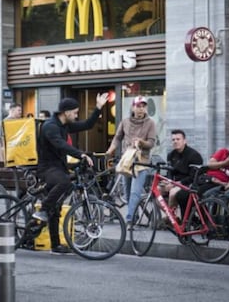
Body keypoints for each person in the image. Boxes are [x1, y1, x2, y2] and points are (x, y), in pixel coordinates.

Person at [32, 94, 109, 254]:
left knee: (57, 206)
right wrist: (80, 154)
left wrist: (98, 107)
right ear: (66, 112)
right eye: (75, 112)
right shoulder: (50, 126)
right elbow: (60, 145)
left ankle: (55, 245)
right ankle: (43, 209)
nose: (76, 115)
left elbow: (87, 124)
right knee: (64, 183)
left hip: (59, 167)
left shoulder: (65, 125)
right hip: (46, 168)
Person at [105, 95, 156, 224]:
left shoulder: (150, 123)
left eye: (143, 106)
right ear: (133, 107)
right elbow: (117, 138)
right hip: (126, 162)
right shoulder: (125, 121)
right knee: (127, 193)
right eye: (138, 106)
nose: (140, 109)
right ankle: (134, 216)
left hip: (141, 162)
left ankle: (129, 220)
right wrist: (111, 149)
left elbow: (151, 143)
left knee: (135, 192)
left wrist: (141, 142)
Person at [161, 129, 203, 224]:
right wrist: (169, 181)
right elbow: (170, 171)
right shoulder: (171, 155)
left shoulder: (194, 155)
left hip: (188, 184)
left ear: (185, 141)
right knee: (157, 191)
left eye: (178, 139)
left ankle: (170, 219)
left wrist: (177, 184)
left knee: (172, 193)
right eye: (173, 140)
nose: (175, 141)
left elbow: (193, 177)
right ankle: (173, 217)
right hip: (175, 183)